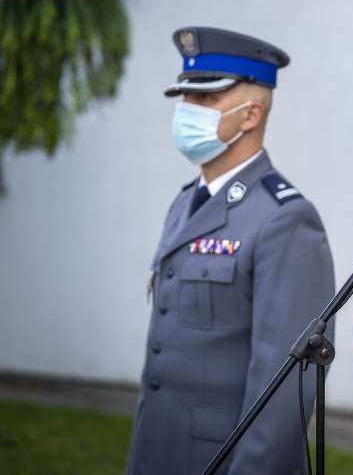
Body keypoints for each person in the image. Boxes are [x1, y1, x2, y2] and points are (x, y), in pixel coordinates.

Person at [126, 27, 335, 475]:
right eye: (185, 99)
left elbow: (284, 388)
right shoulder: (186, 201)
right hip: (159, 449)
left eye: (204, 101)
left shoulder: (285, 219)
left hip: (225, 459)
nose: (187, 112)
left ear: (250, 115)